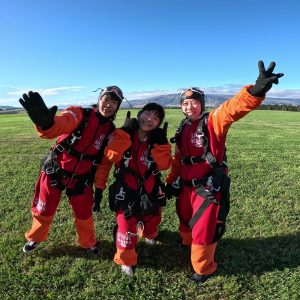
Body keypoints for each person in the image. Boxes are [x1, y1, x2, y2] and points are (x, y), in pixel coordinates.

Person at [165, 61, 284, 283]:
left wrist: (256, 90)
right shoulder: (182, 127)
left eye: (194, 103)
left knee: (203, 228)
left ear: (202, 104)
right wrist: (172, 180)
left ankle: (203, 268)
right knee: (184, 219)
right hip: (185, 186)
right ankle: (187, 246)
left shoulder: (213, 122)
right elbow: (178, 158)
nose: (189, 107)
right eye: (185, 103)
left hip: (207, 187)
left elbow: (232, 109)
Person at [19, 86, 124, 254]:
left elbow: (104, 164)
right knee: (44, 209)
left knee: (84, 214)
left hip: (82, 179)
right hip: (55, 171)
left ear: (118, 107)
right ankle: (35, 237)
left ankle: (88, 242)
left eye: (114, 102)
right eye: (106, 100)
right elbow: (64, 123)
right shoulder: (80, 114)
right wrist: (48, 124)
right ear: (99, 100)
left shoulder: (110, 132)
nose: (109, 105)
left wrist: (99, 188)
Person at [102, 103, 172, 276]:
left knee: (152, 217)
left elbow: (164, 166)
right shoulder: (123, 134)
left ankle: (149, 234)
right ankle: (126, 259)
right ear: (139, 114)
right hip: (126, 187)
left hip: (150, 185)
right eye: (147, 114)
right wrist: (123, 133)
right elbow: (111, 155)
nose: (149, 119)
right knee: (126, 224)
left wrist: (162, 144)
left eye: (156, 118)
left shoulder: (156, 139)